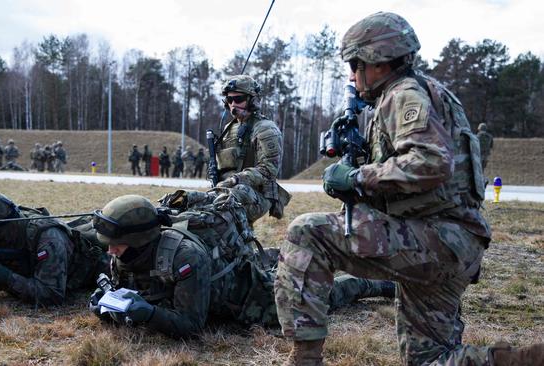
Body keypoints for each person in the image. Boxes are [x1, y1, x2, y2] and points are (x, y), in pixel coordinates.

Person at [273, 12, 543, 366]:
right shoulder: (427, 92)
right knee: (428, 358)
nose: (353, 76)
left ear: (378, 63)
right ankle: (519, 361)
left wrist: (355, 178)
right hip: (450, 241)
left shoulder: (403, 95)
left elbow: (430, 162)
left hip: (436, 240)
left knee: (306, 234)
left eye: (356, 66)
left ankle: (304, 359)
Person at [88, 194, 395, 338]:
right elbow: (132, 293)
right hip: (221, 280)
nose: (111, 251)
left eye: (117, 243)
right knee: (275, 260)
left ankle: (373, 282)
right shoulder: (125, 253)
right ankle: (285, 257)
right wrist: (107, 304)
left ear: (141, 238)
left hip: (250, 298)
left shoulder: (184, 258)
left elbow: (191, 325)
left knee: (314, 298)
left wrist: (149, 314)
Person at [0, 190, 110, 306]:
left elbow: (52, 295)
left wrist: (6, 278)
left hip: (99, 266)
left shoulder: (48, 238)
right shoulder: (0, 238)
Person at [212, 74, 290, 224]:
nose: (233, 104)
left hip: (257, 192)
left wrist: (235, 179)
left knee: (224, 212)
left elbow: (269, 170)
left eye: (239, 99)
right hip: (229, 188)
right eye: (229, 100)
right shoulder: (229, 128)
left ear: (251, 100)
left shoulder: (265, 129)